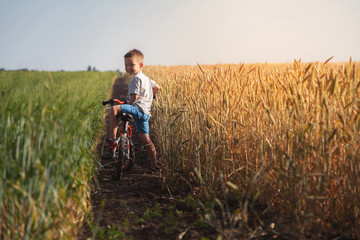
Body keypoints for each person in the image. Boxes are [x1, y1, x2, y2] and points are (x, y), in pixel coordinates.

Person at [108, 49, 160, 172]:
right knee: (146, 140)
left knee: (113, 109)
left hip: (137, 109)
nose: (129, 68)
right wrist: (148, 97)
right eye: (126, 65)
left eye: (132, 65)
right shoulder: (147, 79)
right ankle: (154, 166)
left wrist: (128, 103)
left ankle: (112, 139)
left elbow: (134, 97)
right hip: (146, 112)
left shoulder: (135, 79)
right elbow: (157, 87)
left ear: (140, 65)